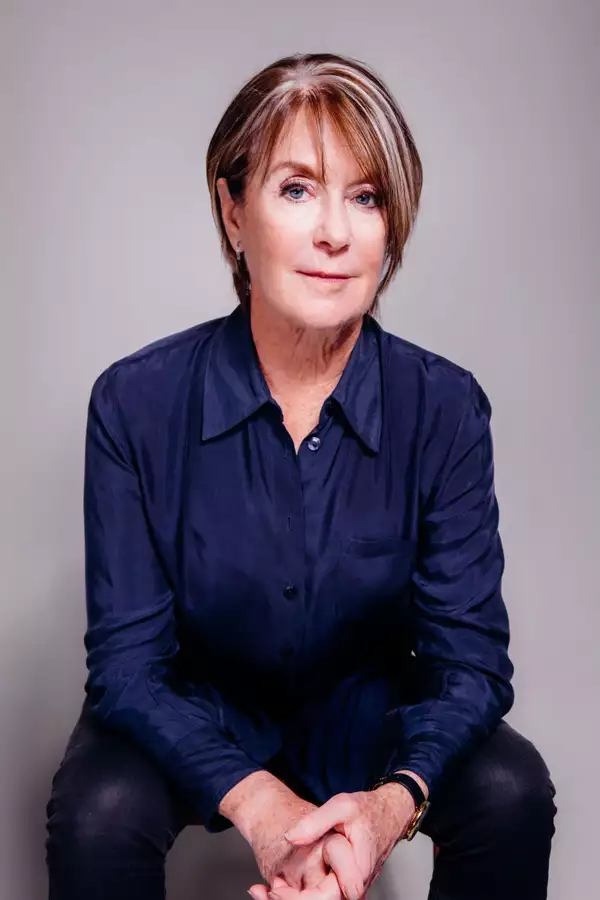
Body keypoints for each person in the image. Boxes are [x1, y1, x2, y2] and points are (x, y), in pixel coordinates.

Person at [44, 52, 557, 900]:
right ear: (232, 211)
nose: (334, 233)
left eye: (367, 197)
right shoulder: (135, 402)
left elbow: (471, 664)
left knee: (511, 789)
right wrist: (260, 805)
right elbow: (128, 670)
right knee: (98, 811)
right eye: (296, 190)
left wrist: (388, 808)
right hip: (197, 707)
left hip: (368, 713)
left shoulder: (445, 407)